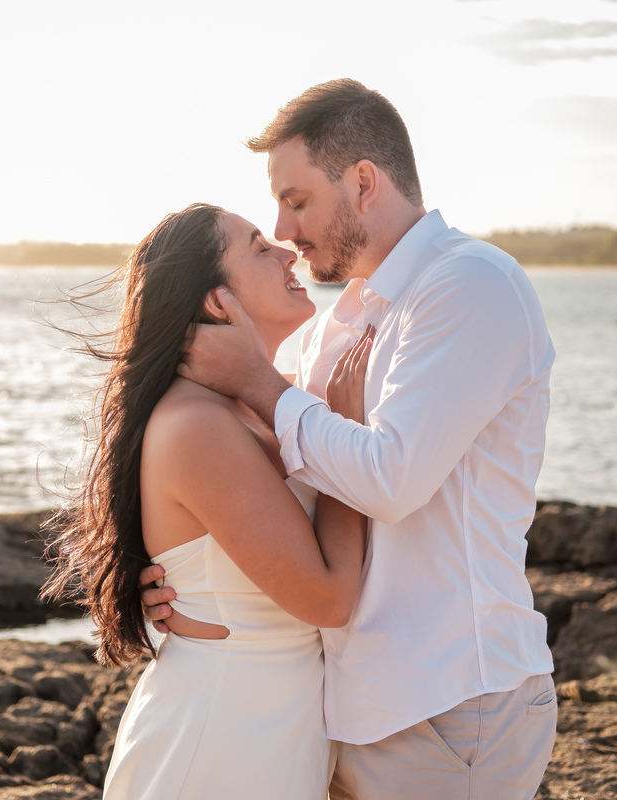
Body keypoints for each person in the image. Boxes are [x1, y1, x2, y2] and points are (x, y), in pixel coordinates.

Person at [145, 79, 559, 799]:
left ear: (363, 182)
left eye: (297, 200)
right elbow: (283, 486)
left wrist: (259, 383)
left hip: (448, 703)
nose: (284, 229)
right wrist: (178, 580)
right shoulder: (340, 327)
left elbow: (388, 481)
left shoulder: (469, 286)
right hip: (344, 711)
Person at [42, 202, 373, 799]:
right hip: (223, 729)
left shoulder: (274, 404)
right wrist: (346, 437)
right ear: (218, 300)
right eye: (256, 246)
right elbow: (328, 597)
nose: (284, 247)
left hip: (276, 719)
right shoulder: (196, 423)